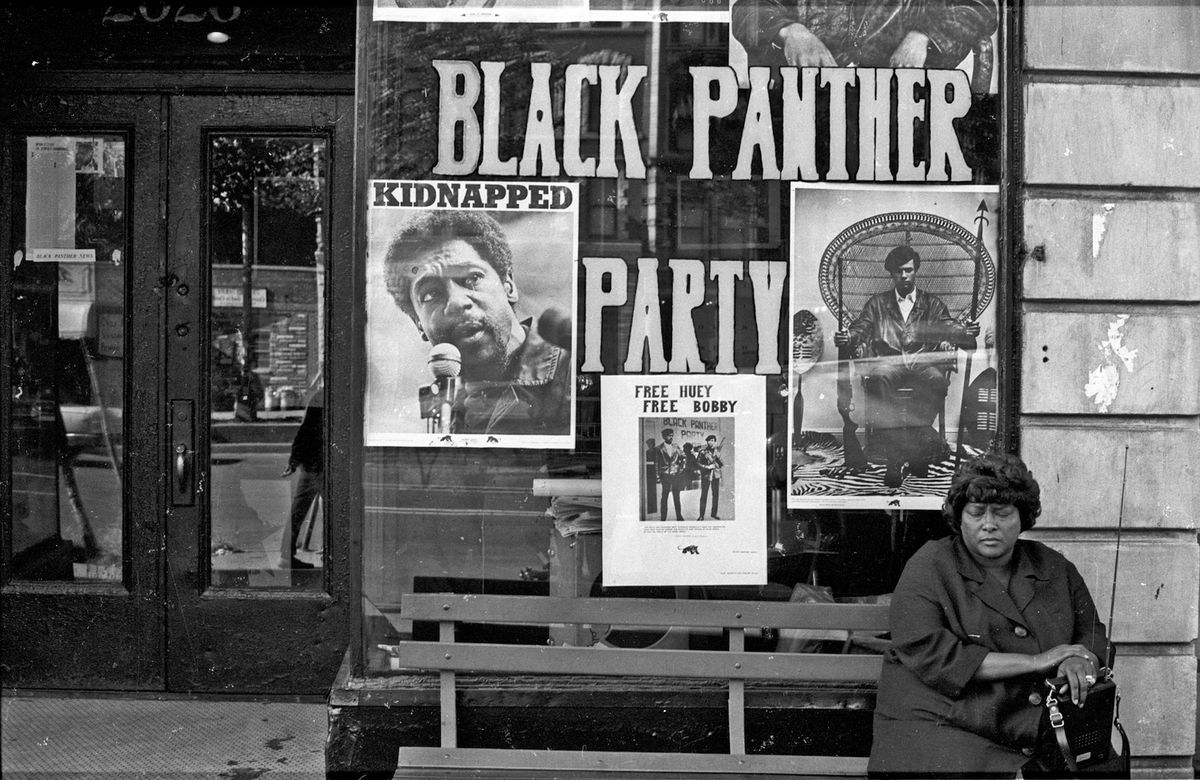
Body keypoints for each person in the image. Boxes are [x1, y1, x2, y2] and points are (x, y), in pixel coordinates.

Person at [868, 452, 1108, 777]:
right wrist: (1039, 661)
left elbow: (1092, 635)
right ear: (959, 517)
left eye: (1003, 513)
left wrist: (1082, 661)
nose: (989, 524)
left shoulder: (1054, 568)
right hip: (943, 729)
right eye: (976, 513)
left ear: (1022, 517)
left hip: (1035, 733)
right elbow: (934, 655)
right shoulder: (930, 565)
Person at [383, 211, 572, 437]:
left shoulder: (571, 370)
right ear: (419, 324)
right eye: (431, 294)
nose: (456, 303)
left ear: (508, 286)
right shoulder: (436, 416)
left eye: (472, 278)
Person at [834, 244, 979, 485]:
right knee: (879, 379)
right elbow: (860, 328)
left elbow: (948, 325)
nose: (904, 276)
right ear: (891, 274)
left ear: (915, 271)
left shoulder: (931, 303)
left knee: (937, 380)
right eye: (899, 271)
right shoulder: (877, 303)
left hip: (921, 361)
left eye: (909, 270)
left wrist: (965, 331)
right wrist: (848, 338)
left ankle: (917, 450)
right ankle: (895, 458)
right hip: (888, 363)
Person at [732, 0, 998, 70]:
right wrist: (790, 30)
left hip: (899, 122)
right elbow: (746, 9)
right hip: (809, 114)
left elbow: (981, 7)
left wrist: (924, 35)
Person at [281, 371, 323, 571]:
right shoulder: (326, 397)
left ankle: (286, 556)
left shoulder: (320, 396)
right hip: (320, 464)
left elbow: (304, 430)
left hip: (311, 463)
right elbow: (307, 430)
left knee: (298, 510)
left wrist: (295, 459)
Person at [654, 428, 686, 522]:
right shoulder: (658, 448)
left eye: (672, 435)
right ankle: (663, 518)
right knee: (664, 497)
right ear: (664, 437)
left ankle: (679, 516)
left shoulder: (676, 446)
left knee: (677, 496)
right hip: (665, 475)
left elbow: (683, 456)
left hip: (675, 474)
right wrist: (657, 476)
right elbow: (656, 463)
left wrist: (681, 467)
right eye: (669, 435)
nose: (671, 437)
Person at [695, 435, 724, 520]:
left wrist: (718, 462)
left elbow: (721, 464)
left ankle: (714, 514)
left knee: (715, 495)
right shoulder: (703, 451)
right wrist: (707, 467)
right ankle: (701, 515)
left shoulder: (717, 452)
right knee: (704, 495)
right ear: (707, 442)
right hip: (706, 475)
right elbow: (698, 463)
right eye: (709, 440)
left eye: (712, 440)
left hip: (715, 475)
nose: (710, 442)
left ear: (715, 442)